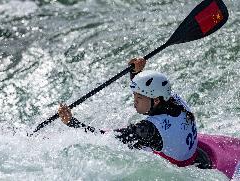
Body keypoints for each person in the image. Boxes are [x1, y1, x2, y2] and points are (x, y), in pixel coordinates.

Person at [58, 58, 208, 167]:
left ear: (155, 101)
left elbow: (107, 139)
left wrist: (72, 123)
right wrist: (137, 73)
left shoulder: (148, 130)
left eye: (139, 97)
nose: (134, 101)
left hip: (182, 172)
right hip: (200, 157)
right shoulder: (174, 99)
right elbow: (148, 90)